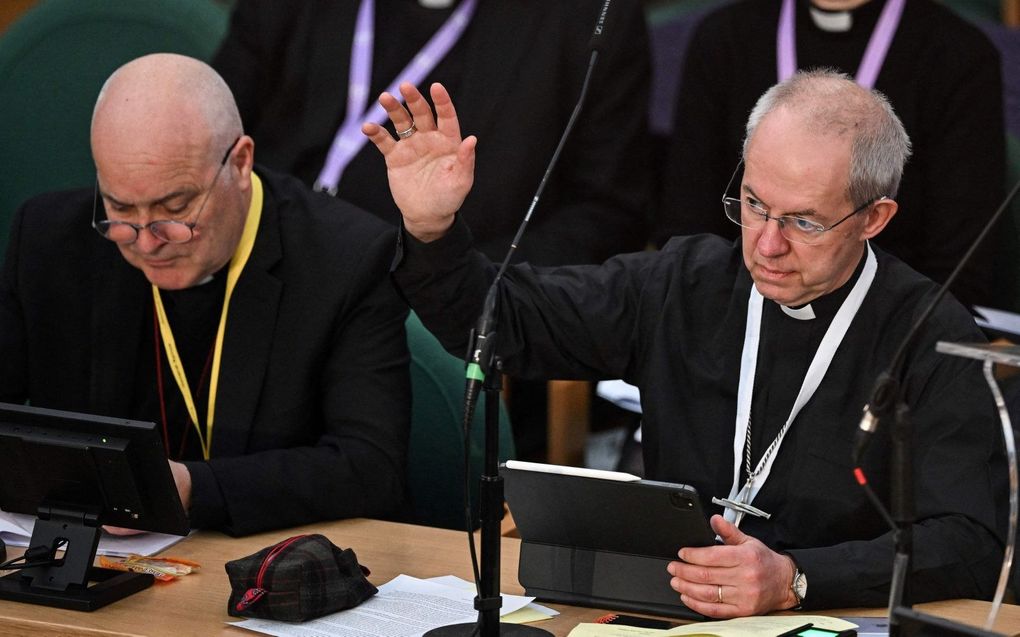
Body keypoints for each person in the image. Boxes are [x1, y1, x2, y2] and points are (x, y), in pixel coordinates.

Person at [363, 71, 1005, 616]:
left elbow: (970, 543)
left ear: (874, 217)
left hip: (835, 620)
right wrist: (431, 228)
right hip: (664, 611)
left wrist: (796, 580)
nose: (768, 244)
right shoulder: (683, 282)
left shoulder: (933, 335)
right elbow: (507, 325)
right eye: (754, 204)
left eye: (804, 222)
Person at [0, 53, 411, 537]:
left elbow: (370, 468)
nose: (147, 240)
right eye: (118, 207)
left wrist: (196, 486)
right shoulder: (49, 239)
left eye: (174, 207)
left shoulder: (347, 259)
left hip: (261, 566)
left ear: (240, 163)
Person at [211, 0, 652, 267]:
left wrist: (445, 273)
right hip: (270, 256)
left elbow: (608, 213)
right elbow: (217, 133)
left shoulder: (591, 19)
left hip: (436, 306)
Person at [654, 0, 1006, 312]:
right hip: (736, 314)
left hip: (887, 328)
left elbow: (960, 265)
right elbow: (687, 225)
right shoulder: (725, 37)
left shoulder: (958, 54)